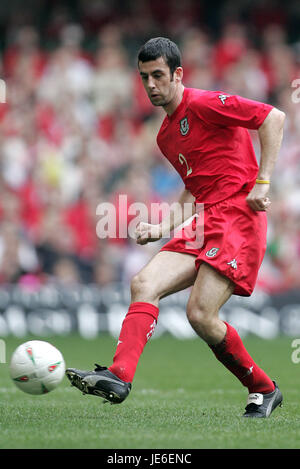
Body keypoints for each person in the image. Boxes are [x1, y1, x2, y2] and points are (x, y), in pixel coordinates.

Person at [66, 37, 285, 418]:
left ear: (177, 74)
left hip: (238, 216)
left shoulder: (203, 103)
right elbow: (193, 186)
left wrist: (262, 182)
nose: (151, 85)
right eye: (144, 78)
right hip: (207, 218)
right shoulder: (165, 136)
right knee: (143, 283)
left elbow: (272, 117)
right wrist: (163, 225)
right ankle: (119, 376)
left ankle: (263, 389)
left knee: (199, 314)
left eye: (158, 76)